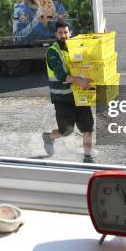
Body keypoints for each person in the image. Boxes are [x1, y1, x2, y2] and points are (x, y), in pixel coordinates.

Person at [42, 21, 95, 163]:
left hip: (80, 97)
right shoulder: (53, 52)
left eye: (66, 32)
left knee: (87, 128)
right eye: (60, 33)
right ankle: (49, 137)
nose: (63, 35)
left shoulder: (76, 48)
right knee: (66, 131)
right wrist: (80, 81)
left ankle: (88, 158)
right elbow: (61, 75)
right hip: (63, 99)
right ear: (55, 34)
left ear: (70, 33)